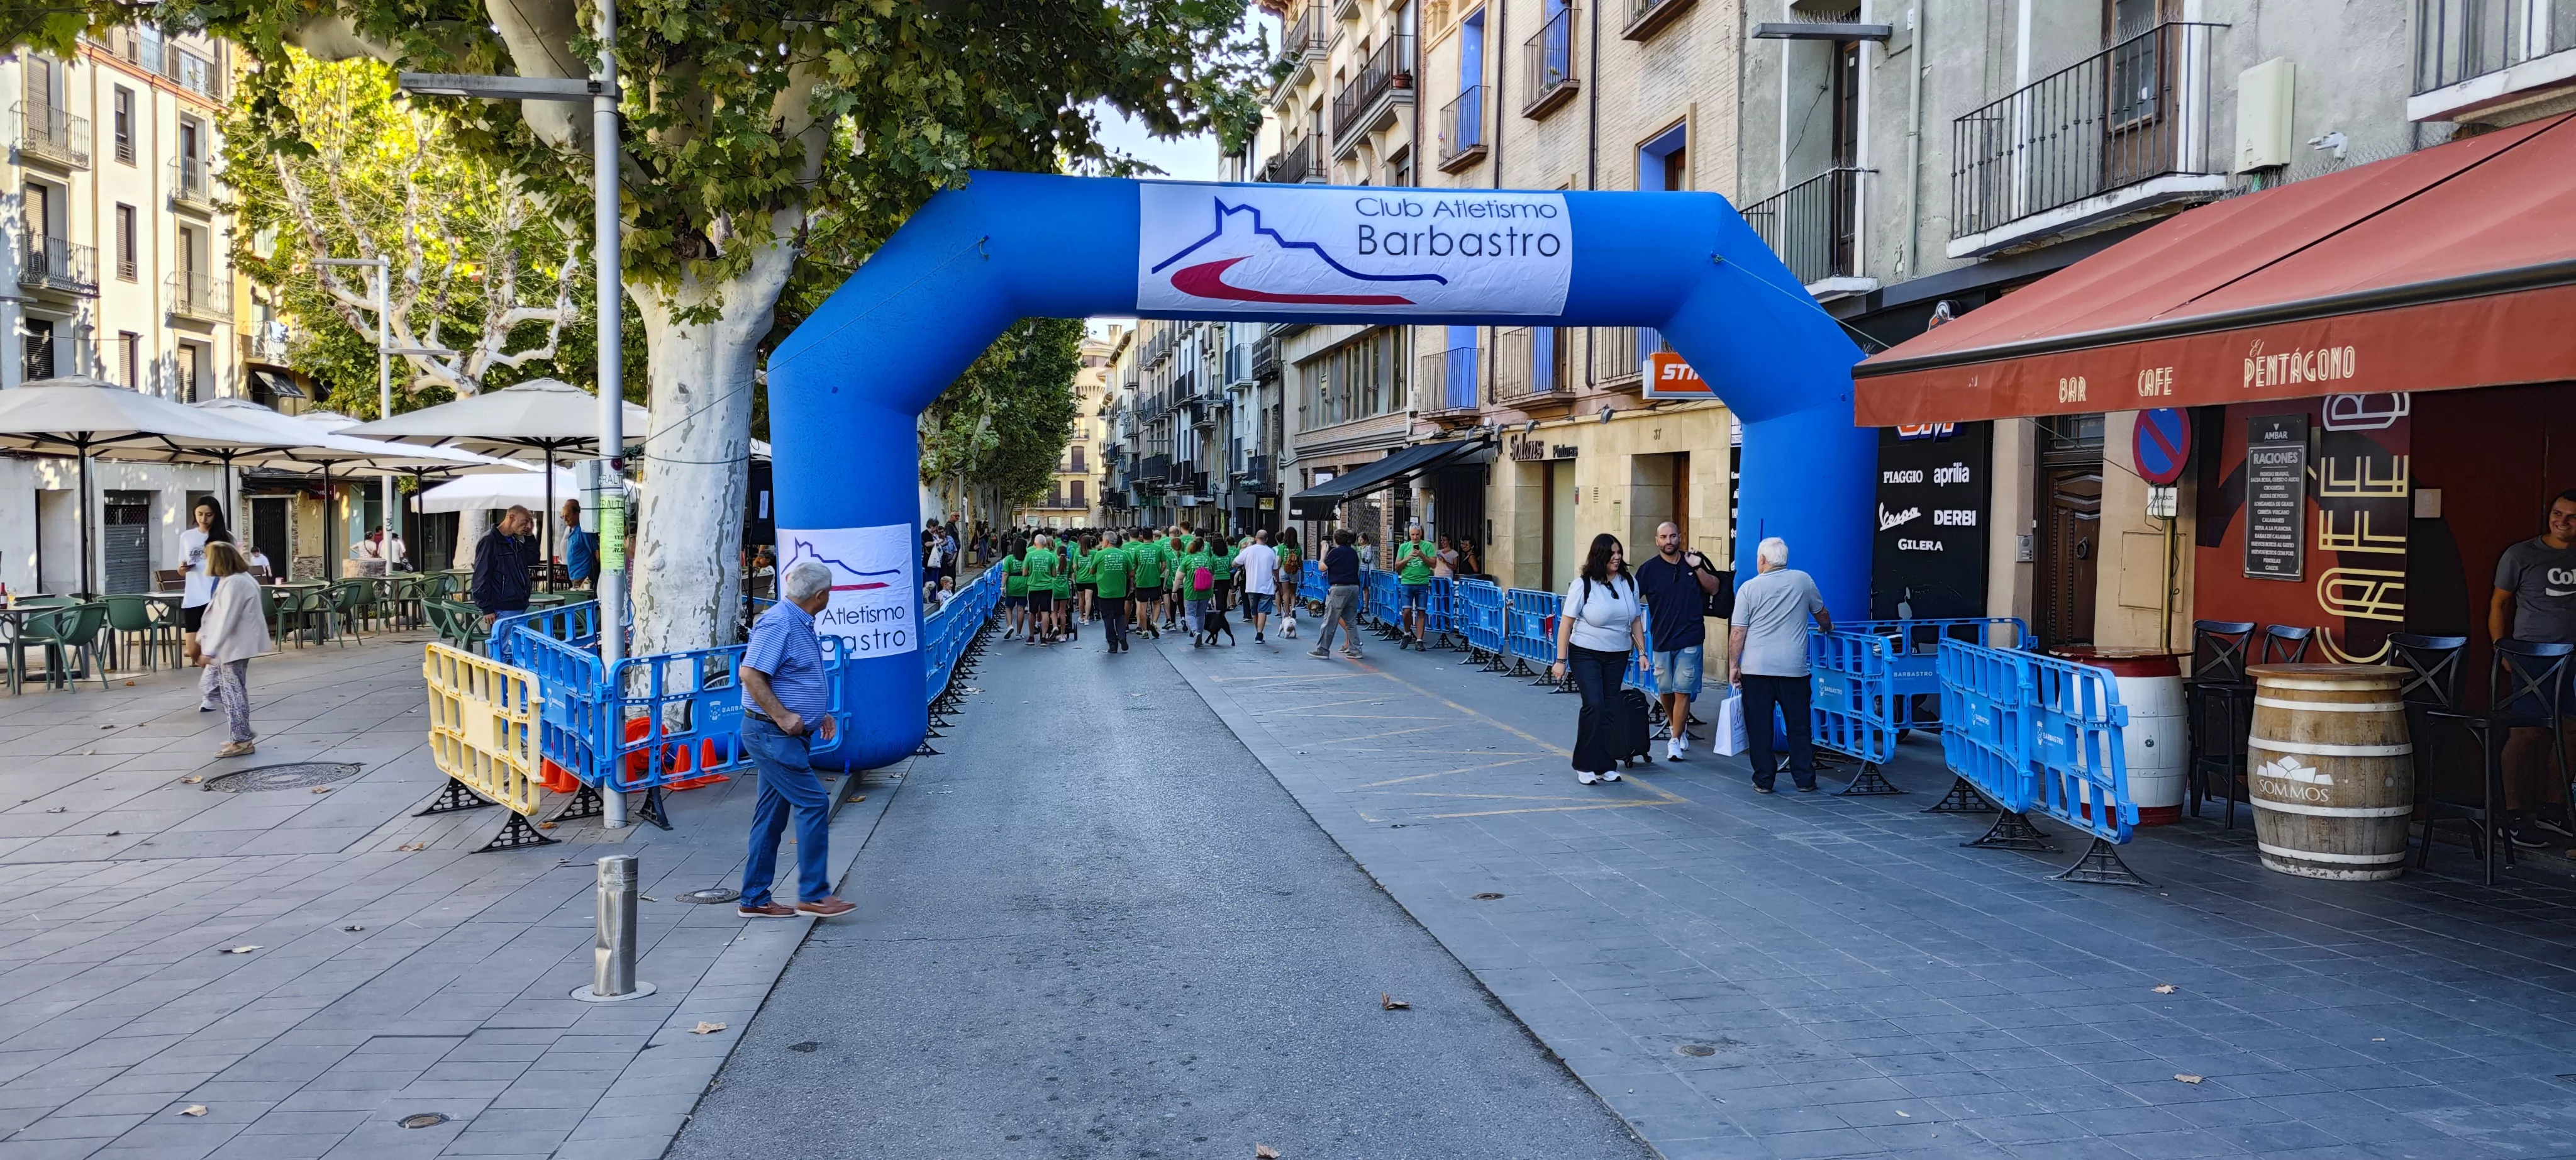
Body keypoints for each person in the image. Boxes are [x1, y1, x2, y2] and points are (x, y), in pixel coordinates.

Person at [736, 560, 855, 920]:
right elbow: (751, 674)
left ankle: (754, 897)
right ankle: (814, 894)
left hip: (779, 734)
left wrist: (820, 713)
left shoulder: (798, 621)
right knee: (814, 802)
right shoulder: (780, 623)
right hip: (772, 735)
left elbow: (794, 676)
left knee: (771, 815)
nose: (830, 597)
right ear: (820, 596)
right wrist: (784, 716)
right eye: (829, 593)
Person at [2491, 489, 2576, 847]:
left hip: (2573, 658)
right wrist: (2502, 651)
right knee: (2526, 733)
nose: (2562, 521)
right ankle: (2509, 815)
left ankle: (2555, 809)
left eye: (2571, 517)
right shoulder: (2520, 554)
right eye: (2557, 513)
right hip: (2531, 657)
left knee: (2571, 733)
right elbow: (2498, 604)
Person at [1729, 537, 1831, 793]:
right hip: (1794, 669)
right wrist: (1825, 628)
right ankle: (1805, 779)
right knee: (1799, 726)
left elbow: (1738, 632)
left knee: (1760, 727)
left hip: (1757, 669)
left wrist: (1733, 665)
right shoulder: (1803, 581)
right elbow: (1822, 613)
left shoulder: (1749, 588)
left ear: (1762, 560)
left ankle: (1764, 780)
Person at [1551, 533, 1646, 786]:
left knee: (1610, 707)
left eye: (1619, 552)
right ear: (1599, 556)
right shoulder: (1583, 585)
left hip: (1617, 654)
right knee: (1594, 704)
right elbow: (1566, 624)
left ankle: (1605, 764)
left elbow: (1635, 620)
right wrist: (1561, 660)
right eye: (1611, 553)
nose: (1617, 557)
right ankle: (1584, 764)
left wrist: (1643, 653)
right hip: (1585, 652)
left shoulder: (1629, 582)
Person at [1633, 522, 1726, 762]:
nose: (1669, 541)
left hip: (1691, 637)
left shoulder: (1693, 561)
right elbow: (1631, 600)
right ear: (1657, 541)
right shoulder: (1649, 570)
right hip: (1662, 639)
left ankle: (1674, 740)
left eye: (1673, 536)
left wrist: (1698, 569)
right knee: (1665, 690)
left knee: (1682, 689)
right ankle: (1679, 727)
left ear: (1680, 537)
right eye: (1664, 537)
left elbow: (1715, 588)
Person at [190, 542, 272, 759]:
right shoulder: (238, 579)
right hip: (231, 645)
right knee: (213, 686)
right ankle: (241, 732)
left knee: (232, 691)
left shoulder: (235, 582)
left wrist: (211, 650)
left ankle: (242, 739)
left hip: (233, 646)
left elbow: (227, 618)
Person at [179, 498, 227, 707]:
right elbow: (180, 568)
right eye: (200, 514)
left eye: (208, 514)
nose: (204, 519)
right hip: (193, 598)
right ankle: (215, 686)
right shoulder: (187, 537)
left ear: (216, 515)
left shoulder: (226, 538)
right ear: (194, 514)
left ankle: (210, 695)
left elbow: (232, 568)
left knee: (213, 649)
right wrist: (184, 569)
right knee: (194, 649)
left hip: (216, 598)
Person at [472, 506, 535, 628]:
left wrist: (530, 536)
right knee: (506, 645)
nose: (528, 526)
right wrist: (487, 608)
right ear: (512, 517)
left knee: (515, 645)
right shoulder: (490, 541)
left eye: (530, 522)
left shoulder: (515, 541)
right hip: (503, 606)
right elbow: (481, 576)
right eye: (525, 521)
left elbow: (532, 560)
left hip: (519, 603)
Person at [1310, 529, 1365, 660]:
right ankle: (1356, 650)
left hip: (1339, 588)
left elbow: (1322, 567)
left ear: (1335, 540)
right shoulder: (1353, 552)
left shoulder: (1335, 552)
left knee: (1330, 620)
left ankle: (1323, 649)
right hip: (1354, 587)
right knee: (1351, 620)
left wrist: (1323, 553)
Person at [1393, 525, 1438, 651]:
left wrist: (1422, 556)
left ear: (1421, 534)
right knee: (1406, 610)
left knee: (1421, 611)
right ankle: (1407, 633)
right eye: (1413, 535)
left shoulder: (1428, 546)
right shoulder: (1404, 547)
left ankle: (1419, 640)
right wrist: (1408, 558)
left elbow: (1434, 564)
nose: (1415, 537)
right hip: (1407, 582)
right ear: (1409, 535)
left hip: (1422, 582)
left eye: (1417, 535)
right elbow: (1397, 566)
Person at [1234, 529, 1280, 644]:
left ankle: (1258, 633)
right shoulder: (1270, 552)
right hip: (1266, 586)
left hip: (1251, 586)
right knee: (1263, 611)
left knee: (1254, 611)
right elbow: (1275, 569)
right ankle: (1259, 634)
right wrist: (1278, 581)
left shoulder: (1248, 550)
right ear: (1267, 539)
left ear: (1256, 538)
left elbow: (1234, 563)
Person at [1094, 530, 1133, 654]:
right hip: (1120, 591)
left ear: (1106, 541)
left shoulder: (1100, 554)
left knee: (1107, 617)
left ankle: (1112, 644)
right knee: (1120, 615)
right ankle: (1122, 636)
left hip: (1104, 592)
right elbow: (1131, 573)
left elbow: (1091, 570)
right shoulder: (1124, 554)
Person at [1128, 527, 1167, 640]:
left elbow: (1133, 566)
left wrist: (1134, 578)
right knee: (1156, 603)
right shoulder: (1159, 548)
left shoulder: (1137, 549)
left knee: (1143, 607)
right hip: (1155, 581)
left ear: (1142, 537)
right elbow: (1164, 565)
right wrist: (1158, 572)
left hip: (1141, 582)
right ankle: (1154, 623)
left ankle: (1144, 631)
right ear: (1152, 536)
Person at [1023, 533, 1060, 645]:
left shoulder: (1029, 555)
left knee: (1032, 613)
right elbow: (1054, 574)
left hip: (1033, 587)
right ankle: (1044, 638)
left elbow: (1024, 573)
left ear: (1035, 543)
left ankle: (1031, 637)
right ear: (1045, 544)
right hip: (1047, 588)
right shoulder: (1050, 556)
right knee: (1045, 613)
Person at [1275, 528, 1304, 639]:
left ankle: (1287, 615)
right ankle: (1293, 608)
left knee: (1285, 593)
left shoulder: (1282, 547)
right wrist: (1303, 571)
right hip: (1295, 571)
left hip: (1284, 570)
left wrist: (1276, 571)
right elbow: (1300, 561)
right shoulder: (1298, 547)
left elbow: (1279, 561)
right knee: (1293, 592)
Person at [1000, 535, 1029, 639]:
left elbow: (1005, 573)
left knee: (1008, 607)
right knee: (1021, 609)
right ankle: (1019, 633)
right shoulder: (1027, 557)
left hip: (1012, 584)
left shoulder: (1009, 558)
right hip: (1024, 583)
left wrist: (1002, 587)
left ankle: (1009, 626)